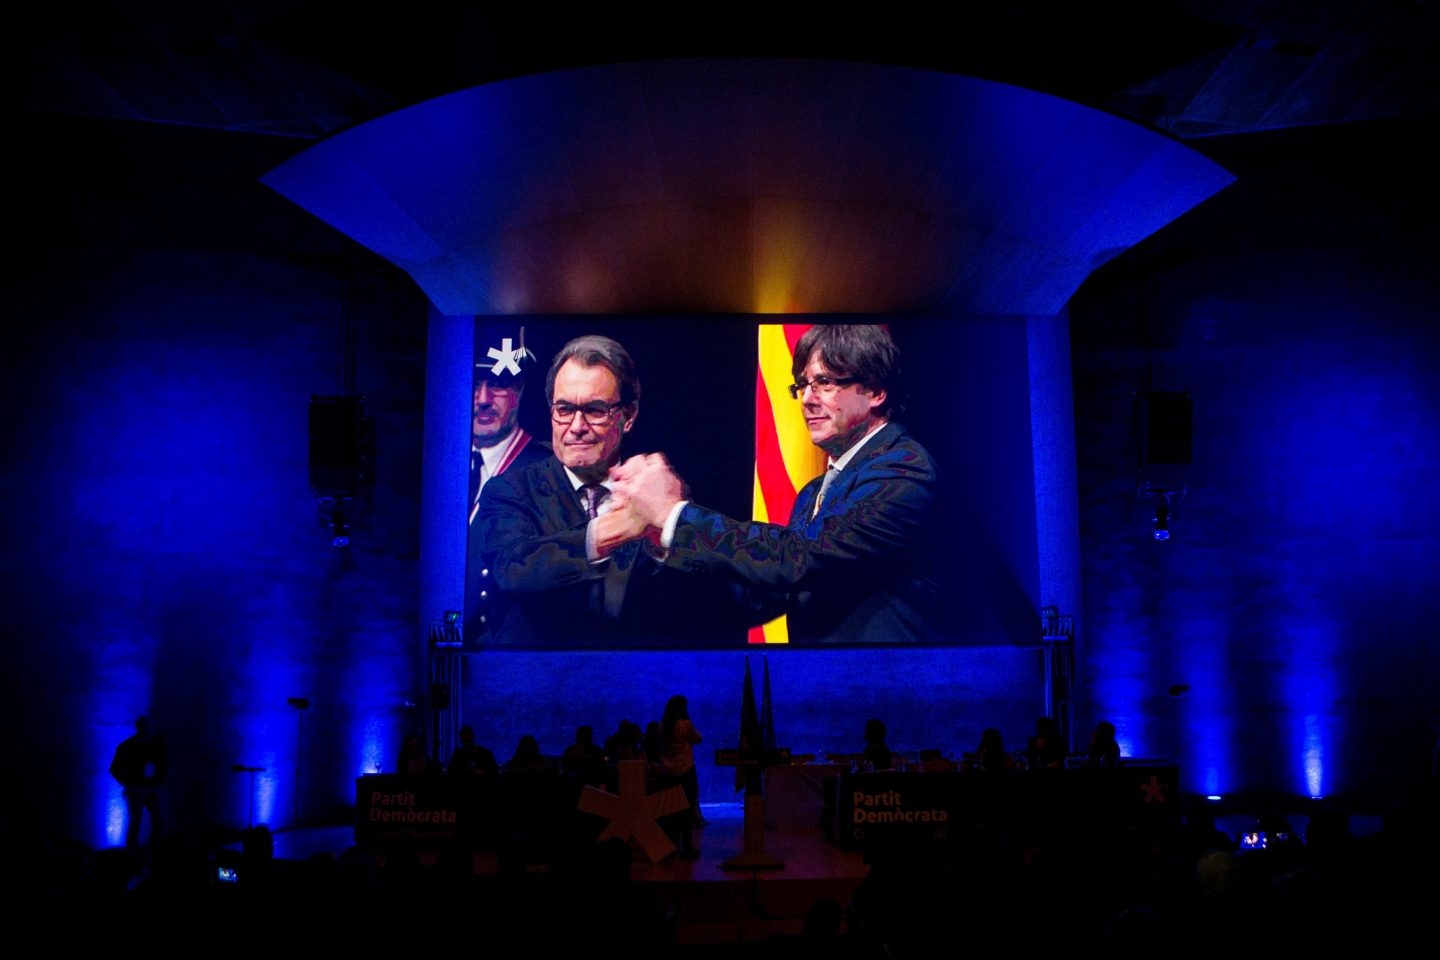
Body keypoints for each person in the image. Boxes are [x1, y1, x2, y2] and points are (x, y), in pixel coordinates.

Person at [608, 324, 944, 643]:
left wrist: (676, 515)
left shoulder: (904, 469)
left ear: (875, 390)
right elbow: (759, 595)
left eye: (825, 383)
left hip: (890, 691)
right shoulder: (812, 493)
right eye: (802, 385)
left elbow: (797, 559)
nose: (806, 400)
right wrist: (661, 534)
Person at [476, 333, 741, 646]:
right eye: (564, 409)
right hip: (534, 684)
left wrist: (661, 543)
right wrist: (618, 528)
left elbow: (693, 600)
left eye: (595, 410)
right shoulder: (509, 491)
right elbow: (515, 568)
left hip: (630, 682)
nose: (576, 426)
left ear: (628, 417)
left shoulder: (655, 492)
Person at [465, 328, 550, 645]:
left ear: (521, 389)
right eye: (475, 384)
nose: (483, 399)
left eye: (499, 385)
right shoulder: (447, 467)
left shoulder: (546, 470)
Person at [109, 715, 166, 851]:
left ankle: (147, 852)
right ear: (141, 727)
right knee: (137, 821)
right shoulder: (128, 746)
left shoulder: (154, 745)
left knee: (153, 820)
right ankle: (134, 853)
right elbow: (114, 769)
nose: (151, 729)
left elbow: (163, 764)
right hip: (138, 789)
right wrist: (129, 784)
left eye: (151, 726)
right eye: (148, 726)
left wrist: (159, 781)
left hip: (150, 788)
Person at [659, 695, 703, 858]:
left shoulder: (662, 726)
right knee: (686, 808)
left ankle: (670, 847)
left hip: (668, 773)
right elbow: (698, 738)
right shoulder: (685, 725)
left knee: (670, 809)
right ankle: (687, 847)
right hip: (686, 771)